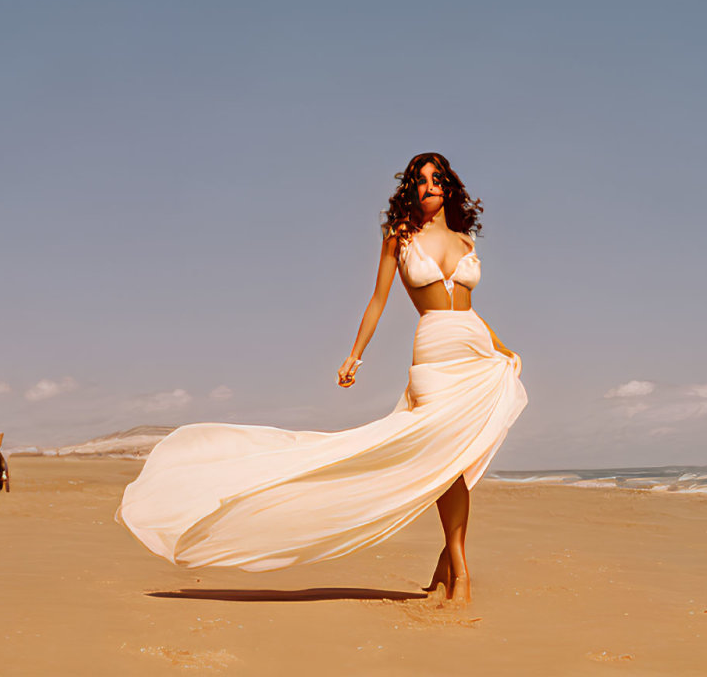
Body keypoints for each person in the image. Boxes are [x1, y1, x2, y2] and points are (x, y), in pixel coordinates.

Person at [117, 153, 526, 604]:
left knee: (459, 459)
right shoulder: (399, 237)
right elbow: (378, 301)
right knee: (441, 453)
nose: (428, 187)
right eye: (420, 181)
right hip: (433, 352)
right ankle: (460, 571)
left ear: (448, 186)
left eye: (436, 179)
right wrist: (354, 355)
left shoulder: (467, 240)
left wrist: (501, 346)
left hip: (474, 349)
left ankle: (450, 564)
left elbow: (468, 310)